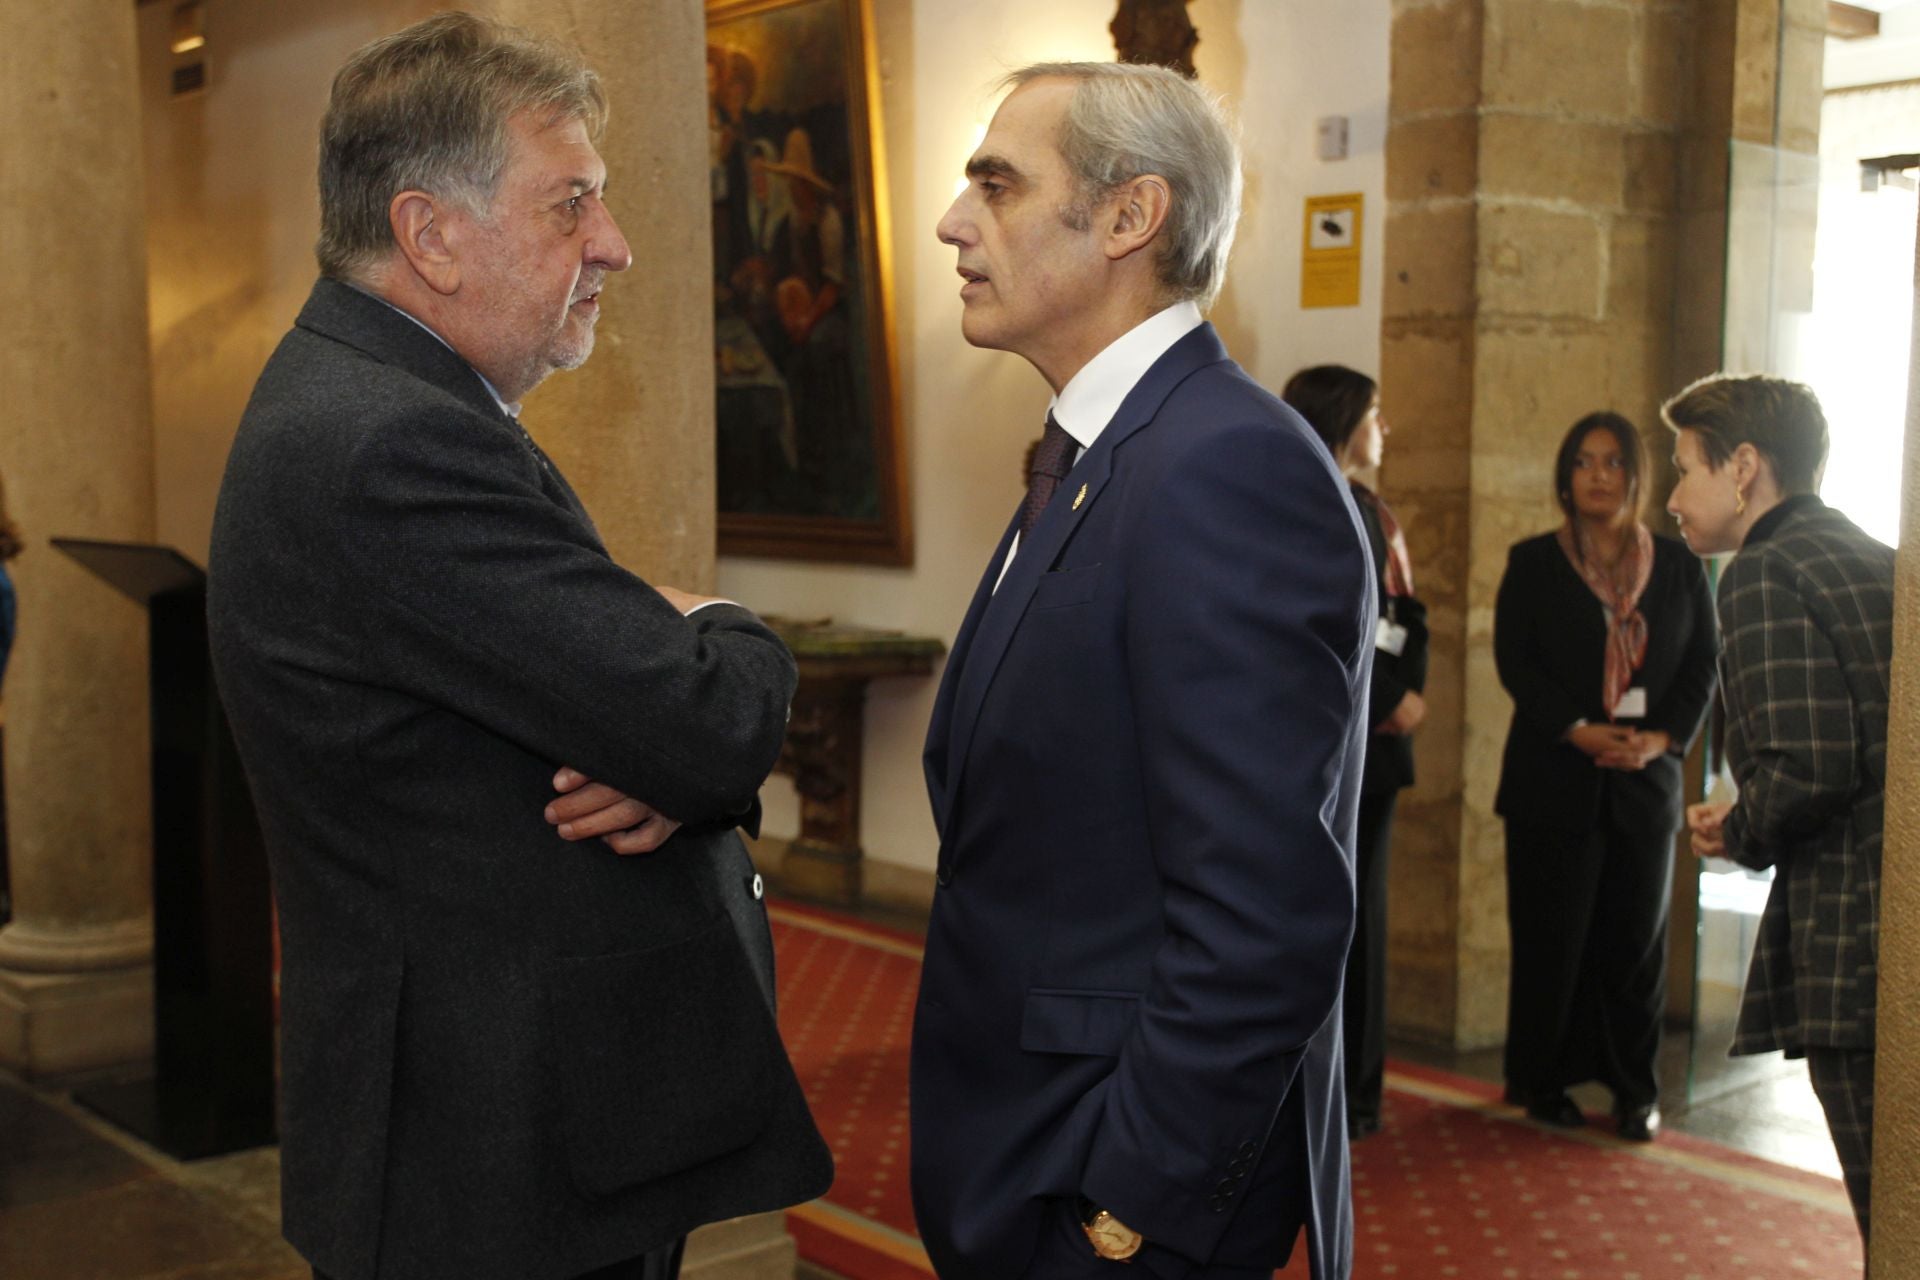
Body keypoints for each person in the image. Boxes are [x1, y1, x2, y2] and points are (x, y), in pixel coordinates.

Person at [205, 15, 831, 1280]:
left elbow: (637, 725)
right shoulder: (393, 442)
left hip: (508, 1130)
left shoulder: (390, 398)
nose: (617, 244)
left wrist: (645, 728)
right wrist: (711, 623)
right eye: (573, 205)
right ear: (430, 233)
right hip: (494, 1160)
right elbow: (707, 723)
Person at [912, 62, 1368, 1280]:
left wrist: (1127, 1207)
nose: (955, 222)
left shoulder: (1221, 465)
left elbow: (1265, 913)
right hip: (1023, 1151)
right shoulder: (1101, 445)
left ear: (1130, 217)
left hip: (1110, 1197)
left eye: (997, 187)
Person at [1665, 374, 1891, 1250]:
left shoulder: (1762, 573)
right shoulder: (1876, 556)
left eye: (1686, 469)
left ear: (1745, 468)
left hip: (1853, 934)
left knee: (1893, 1217)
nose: (1676, 496)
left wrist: (1737, 827)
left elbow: (1811, 767)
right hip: (1895, 922)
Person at [1492, 412, 1717, 1141]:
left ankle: (1633, 1091)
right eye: (1584, 461)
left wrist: (1662, 739)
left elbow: (1703, 665)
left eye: (1613, 462)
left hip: (1644, 785)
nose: (1597, 474)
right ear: (1566, 476)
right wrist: (1576, 728)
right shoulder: (1532, 562)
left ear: (1636, 476)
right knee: (1551, 943)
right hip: (1553, 781)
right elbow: (1515, 662)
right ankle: (1542, 1079)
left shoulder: (1680, 568)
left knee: (1635, 947)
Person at [1281, 365, 1425, 1142]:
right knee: (1315, 917)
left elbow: (1403, 615)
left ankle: (1358, 1090)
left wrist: (1405, 689)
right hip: (1319, 745)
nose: (1386, 430)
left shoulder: (1376, 512)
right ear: (1342, 420)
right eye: (1376, 415)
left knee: (1363, 918)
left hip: (1379, 749)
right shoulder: (1297, 500)